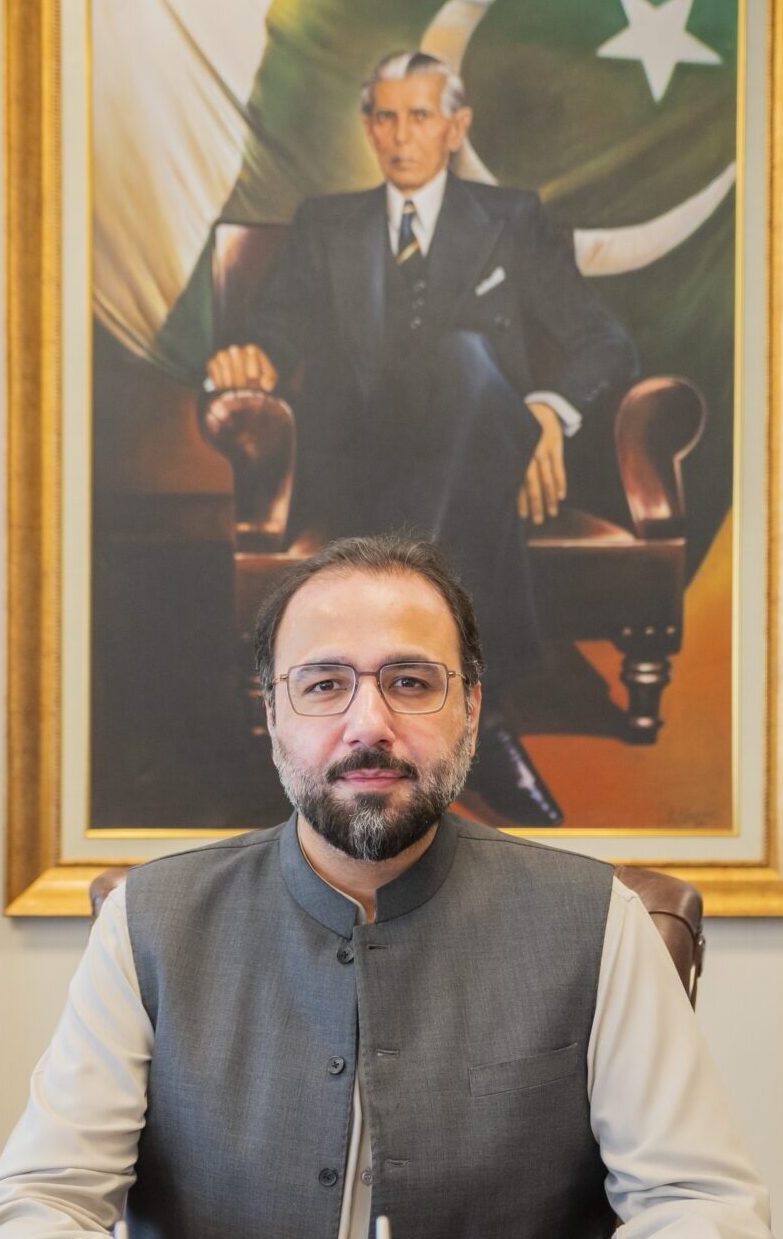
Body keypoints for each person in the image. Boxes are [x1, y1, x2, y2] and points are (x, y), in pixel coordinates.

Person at [0, 535, 783, 1239]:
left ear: (470, 708)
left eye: (411, 682)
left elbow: (711, 1217)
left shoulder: (600, 921)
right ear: (273, 713)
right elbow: (25, 1207)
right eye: (323, 684)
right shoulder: (149, 922)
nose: (368, 724)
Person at [205, 50, 639, 828]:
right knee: (476, 386)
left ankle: (418, 667)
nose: (400, 135)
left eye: (419, 116)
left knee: (469, 360)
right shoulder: (324, 225)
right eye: (384, 117)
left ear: (455, 126)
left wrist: (546, 411)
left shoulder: (511, 220)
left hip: (479, 442)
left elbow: (603, 342)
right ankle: (481, 716)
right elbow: (275, 329)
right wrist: (253, 358)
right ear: (368, 127)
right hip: (356, 461)